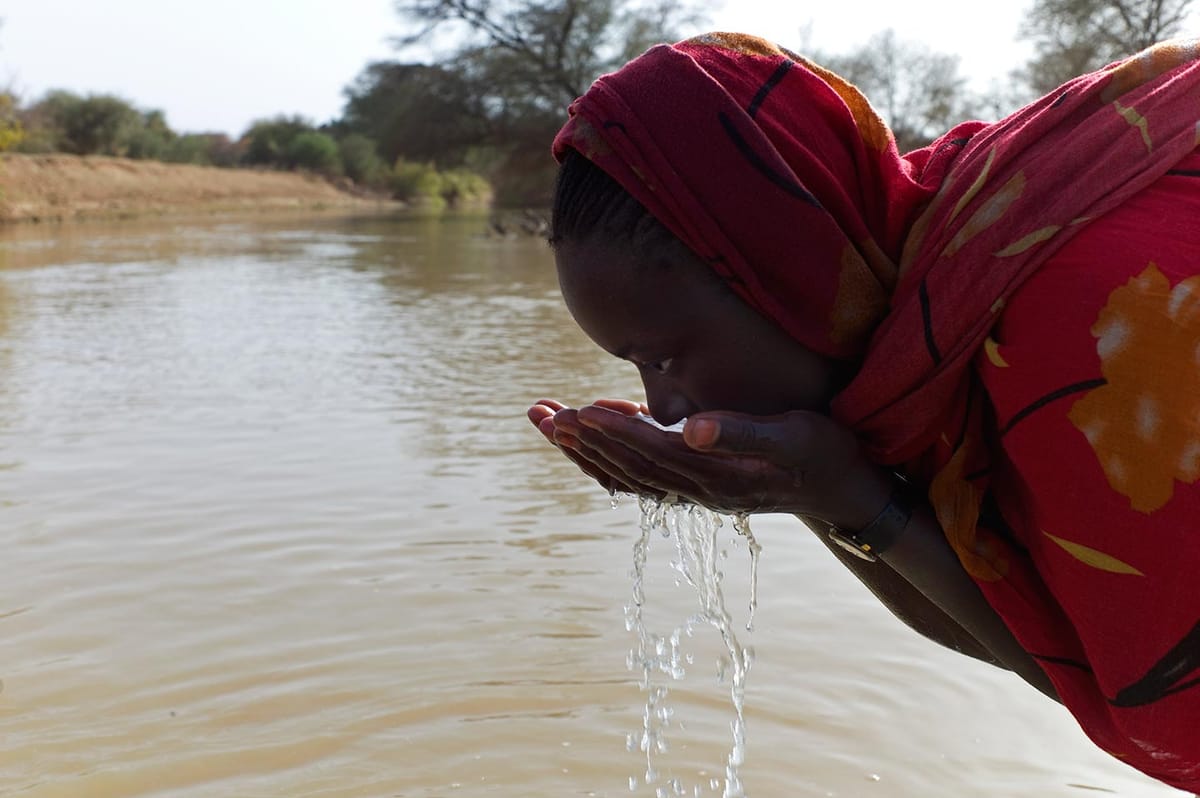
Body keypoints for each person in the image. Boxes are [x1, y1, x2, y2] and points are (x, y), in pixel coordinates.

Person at [526, 31, 1200, 792]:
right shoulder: (944, 280)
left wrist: (841, 494)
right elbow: (1046, 636)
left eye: (662, 358)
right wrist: (813, 487)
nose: (664, 407)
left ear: (787, 273)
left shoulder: (1088, 328)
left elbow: (1142, 700)